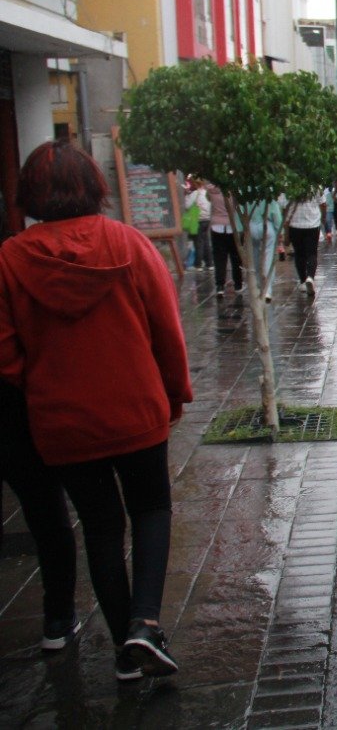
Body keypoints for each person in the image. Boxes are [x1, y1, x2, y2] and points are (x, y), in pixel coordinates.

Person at [0, 140, 192, 680]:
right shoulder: (127, 243)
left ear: (30, 193)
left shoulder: (11, 259)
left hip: (61, 422)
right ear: (93, 186)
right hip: (135, 408)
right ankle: (144, 624)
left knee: (101, 527)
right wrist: (173, 393)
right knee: (151, 509)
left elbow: (6, 351)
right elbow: (166, 330)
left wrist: (42, 381)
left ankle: (124, 655)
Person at [0, 382, 79, 652]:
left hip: (17, 411)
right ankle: (59, 617)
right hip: (18, 412)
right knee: (48, 519)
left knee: (48, 518)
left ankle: (60, 616)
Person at [207, 183, 244, 297]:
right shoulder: (234, 191)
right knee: (236, 257)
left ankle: (220, 286)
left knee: (219, 258)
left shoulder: (211, 191)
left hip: (216, 225)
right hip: (232, 226)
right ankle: (238, 284)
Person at [244, 197, 283, 303]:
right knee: (268, 258)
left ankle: (257, 285)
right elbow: (276, 214)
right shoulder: (268, 191)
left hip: (251, 225)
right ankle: (267, 290)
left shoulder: (245, 189)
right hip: (266, 225)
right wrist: (280, 230)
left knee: (254, 258)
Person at [287, 190, 325, 296]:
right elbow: (323, 203)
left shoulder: (290, 184)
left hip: (295, 224)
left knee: (299, 254)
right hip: (312, 224)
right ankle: (310, 277)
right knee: (312, 253)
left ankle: (303, 281)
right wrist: (323, 218)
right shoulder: (315, 186)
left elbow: (284, 205)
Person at [183, 178, 212, 270]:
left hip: (198, 219)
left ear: (196, 184)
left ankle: (198, 264)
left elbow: (187, 205)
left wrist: (187, 195)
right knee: (206, 241)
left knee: (198, 242)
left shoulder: (195, 193)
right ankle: (209, 263)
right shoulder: (208, 194)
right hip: (207, 219)